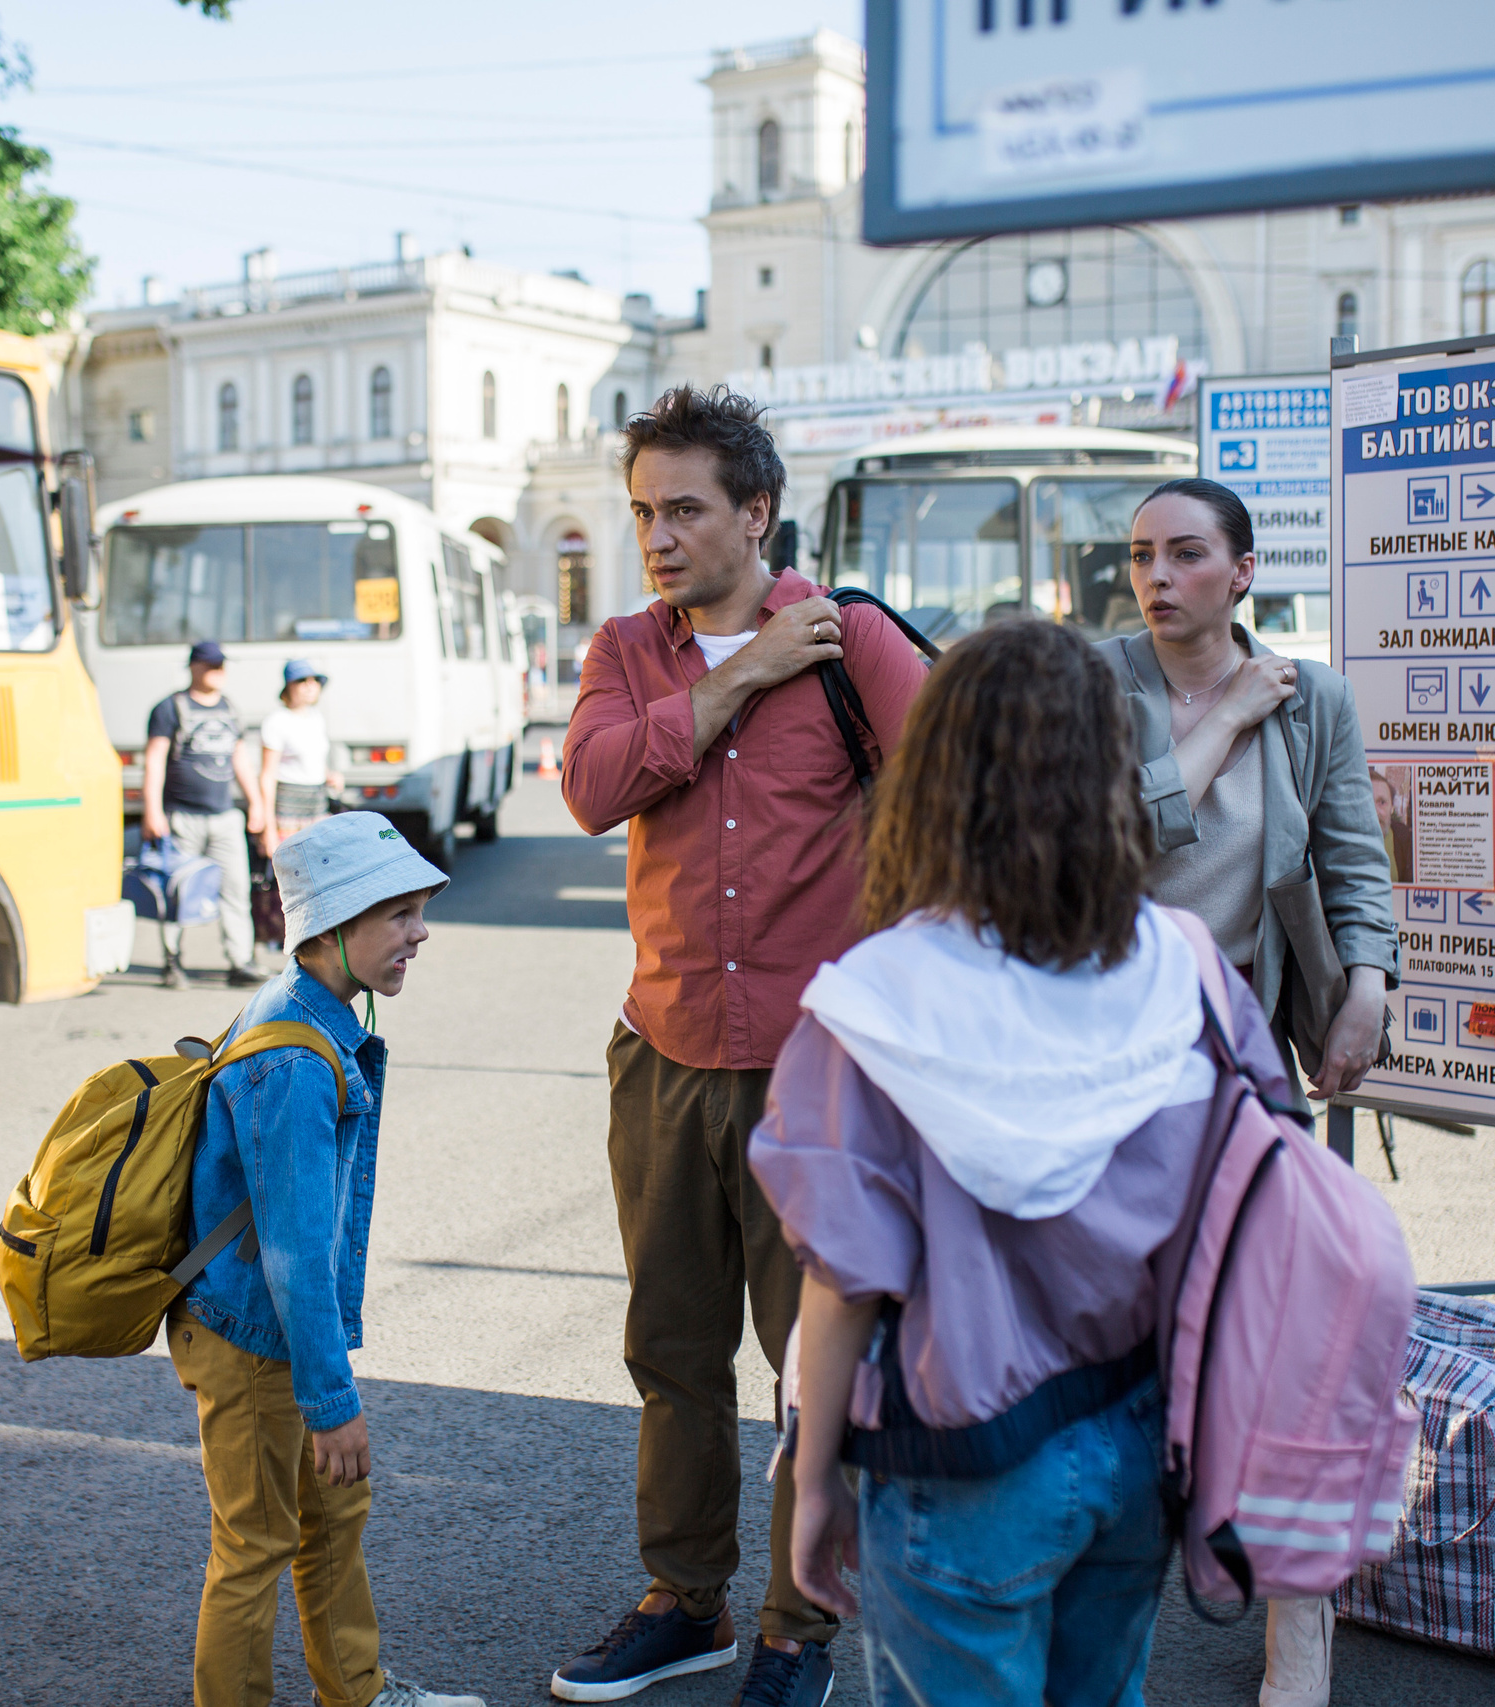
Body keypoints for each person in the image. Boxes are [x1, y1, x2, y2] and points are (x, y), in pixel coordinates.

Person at [757, 617, 1264, 1705]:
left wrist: (812, 1481)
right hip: (1144, 1439)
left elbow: (844, 1280)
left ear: (932, 777)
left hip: (958, 1467)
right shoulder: (1186, 969)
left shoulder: (872, 1004)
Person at [556, 386, 925, 1707]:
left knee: (810, 1360)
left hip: (816, 1066)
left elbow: (965, 793)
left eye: (685, 509)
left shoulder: (850, 641)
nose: (657, 535)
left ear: (757, 511)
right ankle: (685, 1596)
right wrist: (738, 676)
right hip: (660, 1048)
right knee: (671, 1343)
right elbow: (596, 787)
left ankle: (792, 1628)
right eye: (643, 509)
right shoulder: (627, 650)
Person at [1111, 478, 1398, 1707]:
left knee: (1284, 1336)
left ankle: (1302, 1625)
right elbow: (1107, 842)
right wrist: (1222, 717)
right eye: (1139, 556)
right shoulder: (1094, 686)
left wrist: (1368, 984)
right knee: (1112, 1343)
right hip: (1106, 1054)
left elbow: (1348, 852)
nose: (1158, 576)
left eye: (1185, 554)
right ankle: (1098, 1595)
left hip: (1241, 1052)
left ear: (1241, 571)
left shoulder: (1313, 695)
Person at [162, 810, 480, 1707]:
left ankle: (359, 1692)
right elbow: (295, 1255)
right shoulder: (296, 1060)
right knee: (255, 1545)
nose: (421, 932)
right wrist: (332, 1400)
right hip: (254, 1337)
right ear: (333, 925)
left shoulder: (310, 1007)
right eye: (399, 913)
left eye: (420, 909)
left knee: (332, 1513)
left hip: (271, 1329)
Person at [144, 639, 270, 990]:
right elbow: (155, 760)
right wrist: (152, 811)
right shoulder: (171, 708)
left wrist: (255, 802)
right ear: (194, 667)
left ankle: (240, 961)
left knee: (236, 889)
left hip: (225, 816)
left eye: (222, 665)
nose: (219, 672)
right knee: (179, 891)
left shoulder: (229, 708)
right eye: (212, 665)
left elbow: (240, 759)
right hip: (183, 816)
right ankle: (172, 961)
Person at [259, 659, 345, 857]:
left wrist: (330, 775)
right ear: (288, 687)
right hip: (288, 813)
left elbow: (312, 762)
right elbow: (267, 776)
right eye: (302, 681)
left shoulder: (316, 718)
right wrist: (269, 828)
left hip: (317, 808)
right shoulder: (277, 721)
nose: (309, 686)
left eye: (314, 680)